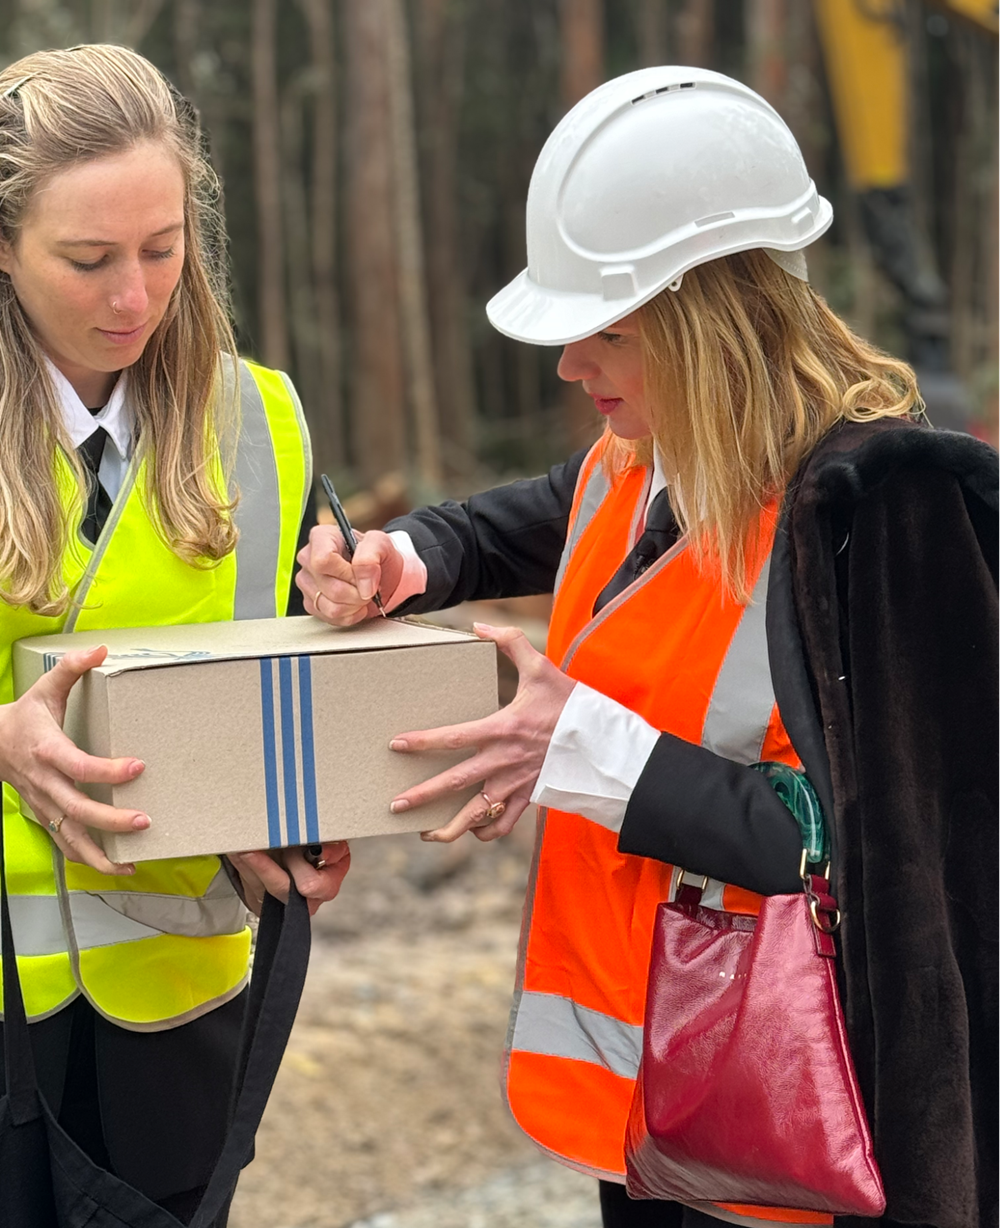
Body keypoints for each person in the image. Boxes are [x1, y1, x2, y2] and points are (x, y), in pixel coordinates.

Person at [297, 67, 998, 1228]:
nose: (570, 368)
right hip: (652, 1109)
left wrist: (578, 744)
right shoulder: (644, 457)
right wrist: (406, 557)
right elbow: (523, 520)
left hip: (790, 1143)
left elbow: (868, 851)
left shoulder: (872, 517)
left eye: (603, 335)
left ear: (706, 323)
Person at [0, 45, 350, 1223]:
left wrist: (297, 820)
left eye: (162, 248)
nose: (135, 297)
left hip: (182, 1010)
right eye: (89, 260)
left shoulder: (264, 426)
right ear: (3, 247)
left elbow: (293, 690)